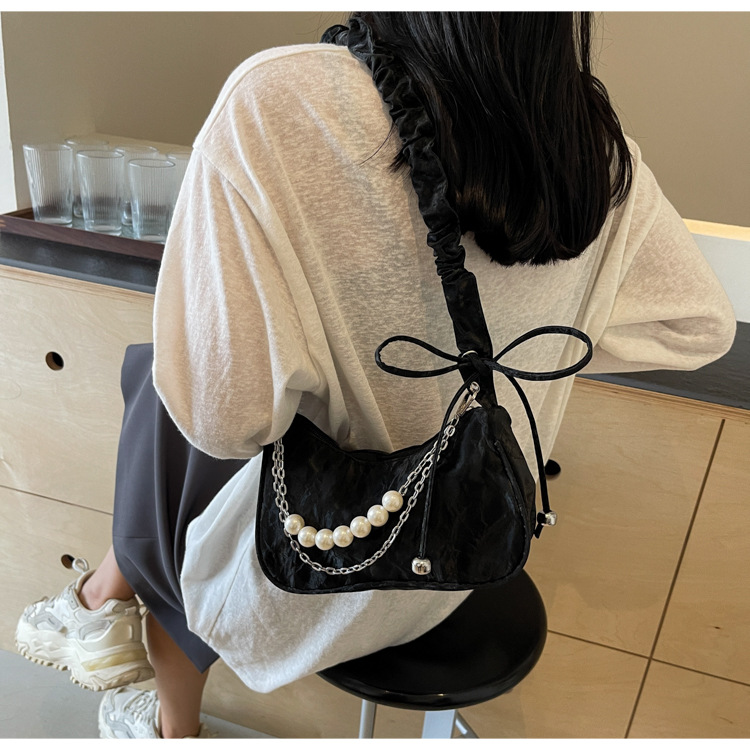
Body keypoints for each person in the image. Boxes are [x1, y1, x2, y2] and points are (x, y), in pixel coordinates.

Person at [15, 12, 736, 739]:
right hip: (466, 549)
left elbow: (222, 424)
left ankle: (148, 683)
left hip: (318, 561)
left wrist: (330, 359)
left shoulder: (280, 101)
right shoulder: (594, 148)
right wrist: (536, 350)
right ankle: (100, 599)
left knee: (161, 403)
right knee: (168, 403)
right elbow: (699, 326)